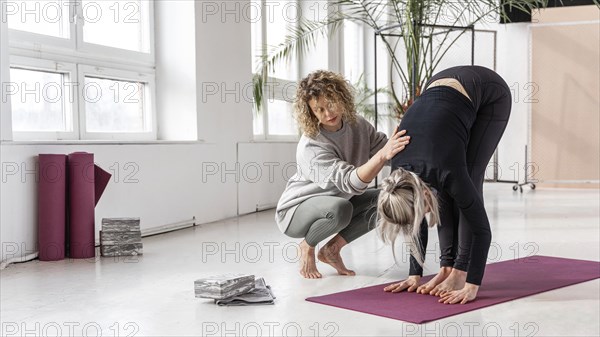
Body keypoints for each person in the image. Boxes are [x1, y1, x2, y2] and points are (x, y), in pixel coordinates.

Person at [378, 65, 512, 304]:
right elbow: (413, 219)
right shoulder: (397, 176)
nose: (424, 215)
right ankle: (446, 268)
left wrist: (472, 285)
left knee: (468, 177)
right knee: (442, 191)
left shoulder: (447, 168)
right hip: (439, 86)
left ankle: (459, 272)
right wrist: (414, 274)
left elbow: (482, 231)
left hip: (487, 91)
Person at [275, 70, 411, 279]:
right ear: (311, 113)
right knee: (341, 208)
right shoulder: (311, 144)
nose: (328, 113)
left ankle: (331, 249)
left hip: (336, 200)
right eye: (319, 110)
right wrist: (383, 155)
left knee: (385, 200)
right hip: (294, 211)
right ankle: (307, 245)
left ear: (340, 97)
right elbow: (351, 183)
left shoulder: (357, 123)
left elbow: (386, 149)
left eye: (330, 103)